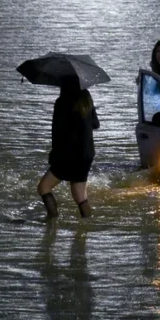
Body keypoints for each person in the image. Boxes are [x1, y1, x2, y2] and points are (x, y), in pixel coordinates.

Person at [38, 76, 100, 219]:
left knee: (44, 188)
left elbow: (57, 133)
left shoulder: (62, 102)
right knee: (80, 195)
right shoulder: (87, 99)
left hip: (68, 155)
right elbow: (96, 124)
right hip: (87, 155)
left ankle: (52, 223)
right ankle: (86, 227)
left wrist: (53, 156)